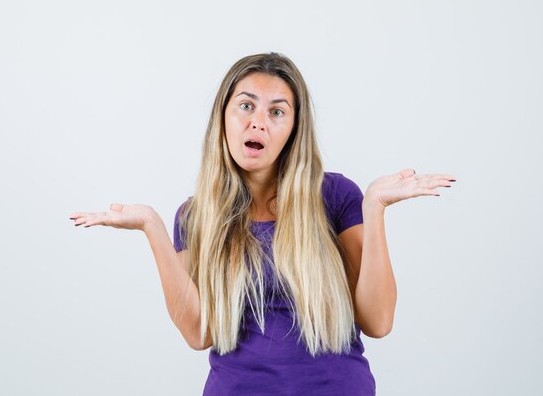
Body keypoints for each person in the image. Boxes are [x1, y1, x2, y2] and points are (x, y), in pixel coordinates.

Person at [69, 52, 457, 395]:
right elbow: (198, 333)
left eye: (276, 112)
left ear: (292, 129)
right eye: (246, 106)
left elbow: (378, 321)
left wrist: (374, 209)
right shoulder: (195, 216)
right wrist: (151, 227)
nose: (258, 123)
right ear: (223, 116)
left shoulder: (335, 195)